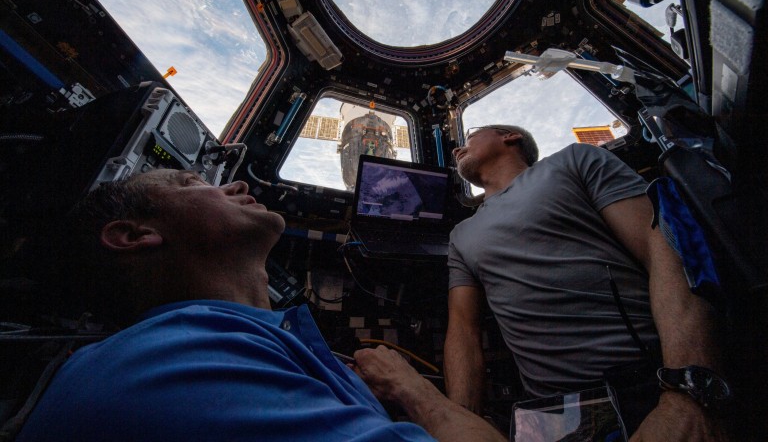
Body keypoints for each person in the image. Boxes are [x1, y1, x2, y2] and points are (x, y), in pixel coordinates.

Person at [15, 169, 504, 442]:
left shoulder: (228, 347)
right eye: (190, 183)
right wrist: (412, 388)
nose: (238, 185)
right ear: (134, 235)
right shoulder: (173, 368)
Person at [444, 125, 729, 441]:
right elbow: (463, 331)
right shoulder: (460, 235)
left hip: (650, 380)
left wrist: (687, 391)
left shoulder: (573, 161)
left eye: (469, 138)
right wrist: (460, 423)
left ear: (510, 137)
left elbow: (663, 247)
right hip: (550, 413)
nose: (457, 149)